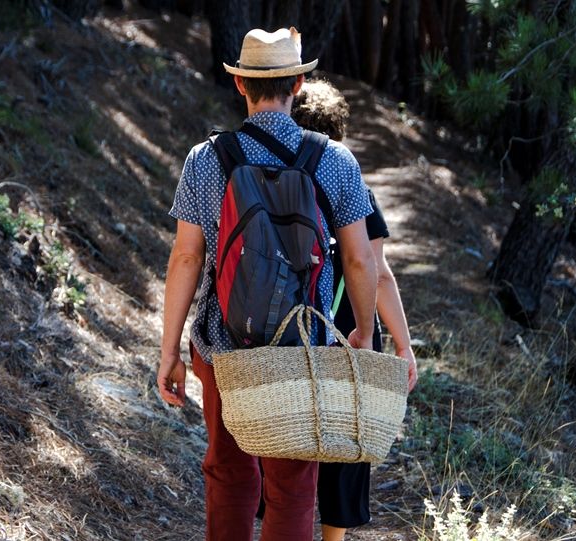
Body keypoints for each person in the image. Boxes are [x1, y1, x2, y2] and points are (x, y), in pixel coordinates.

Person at [158, 27, 379, 541]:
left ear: (241, 86)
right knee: (295, 486)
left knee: (230, 472)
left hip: (223, 345)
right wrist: (363, 333)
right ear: (298, 84)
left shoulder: (206, 159)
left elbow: (186, 256)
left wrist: (170, 350)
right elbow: (360, 259)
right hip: (304, 349)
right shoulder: (336, 161)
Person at [290, 79, 419, 541]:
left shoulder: (266, 175)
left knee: (287, 433)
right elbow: (377, 271)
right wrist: (401, 344)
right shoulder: (346, 178)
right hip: (348, 328)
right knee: (346, 443)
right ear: (338, 132)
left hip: (286, 326)